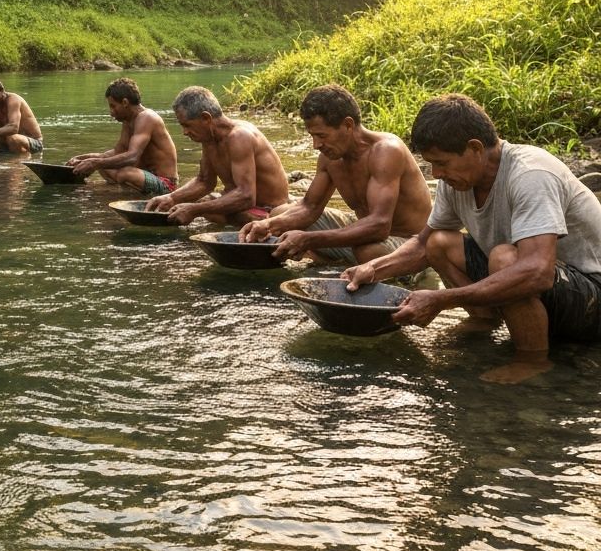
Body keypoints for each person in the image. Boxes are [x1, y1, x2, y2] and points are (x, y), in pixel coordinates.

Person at [343, 93, 601, 384]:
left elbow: (538, 272)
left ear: (475, 148)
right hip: (548, 286)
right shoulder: (458, 183)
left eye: (442, 163)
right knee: (439, 242)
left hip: (592, 296)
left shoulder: (531, 174)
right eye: (431, 165)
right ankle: (484, 319)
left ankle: (532, 360)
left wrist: (442, 299)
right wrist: (373, 270)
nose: (436, 174)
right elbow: (422, 245)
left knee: (504, 257)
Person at [238, 84, 431, 266]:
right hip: (366, 231)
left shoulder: (386, 152)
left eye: (321, 136)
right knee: (280, 213)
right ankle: (335, 261)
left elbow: (380, 226)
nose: (316, 145)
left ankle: (338, 260)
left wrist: (309, 240)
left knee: (368, 251)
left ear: (348, 125)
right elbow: (309, 207)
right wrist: (268, 224)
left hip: (408, 242)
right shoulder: (330, 158)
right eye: (312, 136)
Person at [144, 86, 288, 226]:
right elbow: (204, 182)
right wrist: (171, 198)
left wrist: (194, 210)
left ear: (206, 118)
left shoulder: (239, 137)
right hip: (244, 206)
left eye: (187, 125)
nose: (185, 132)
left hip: (268, 210)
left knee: (200, 207)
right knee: (195, 205)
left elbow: (246, 196)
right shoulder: (209, 139)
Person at [66, 77, 179, 196]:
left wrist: (95, 163)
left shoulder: (147, 118)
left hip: (165, 184)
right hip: (142, 176)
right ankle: (122, 189)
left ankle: (120, 188)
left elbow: (132, 157)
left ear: (125, 102)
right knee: (103, 164)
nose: (111, 112)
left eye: (113, 106)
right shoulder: (128, 120)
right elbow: (118, 152)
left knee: (125, 173)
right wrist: (84, 159)